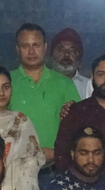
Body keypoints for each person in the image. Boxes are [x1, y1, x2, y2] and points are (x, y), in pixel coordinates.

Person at [54, 54, 105, 179]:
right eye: (101, 74)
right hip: (86, 186)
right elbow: (62, 154)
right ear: (92, 77)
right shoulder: (76, 112)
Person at [9, 23, 81, 160]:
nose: (31, 52)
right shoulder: (6, 82)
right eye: (25, 46)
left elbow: (78, 126)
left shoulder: (64, 83)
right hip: (15, 164)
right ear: (17, 49)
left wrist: (58, 153)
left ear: (45, 47)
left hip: (55, 165)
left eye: (36, 45)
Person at [50, 27, 89, 95]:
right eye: (61, 50)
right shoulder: (40, 84)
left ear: (79, 57)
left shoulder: (89, 86)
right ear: (52, 55)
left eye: (72, 51)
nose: (67, 54)